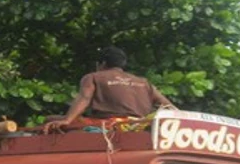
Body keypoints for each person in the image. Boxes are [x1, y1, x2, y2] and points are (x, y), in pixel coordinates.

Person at [44, 47, 176, 132]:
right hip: (137, 125)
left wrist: (67, 120)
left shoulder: (93, 77)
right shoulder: (143, 82)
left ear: (102, 63)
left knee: (50, 119)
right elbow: (169, 107)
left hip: (110, 125)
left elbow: (84, 98)